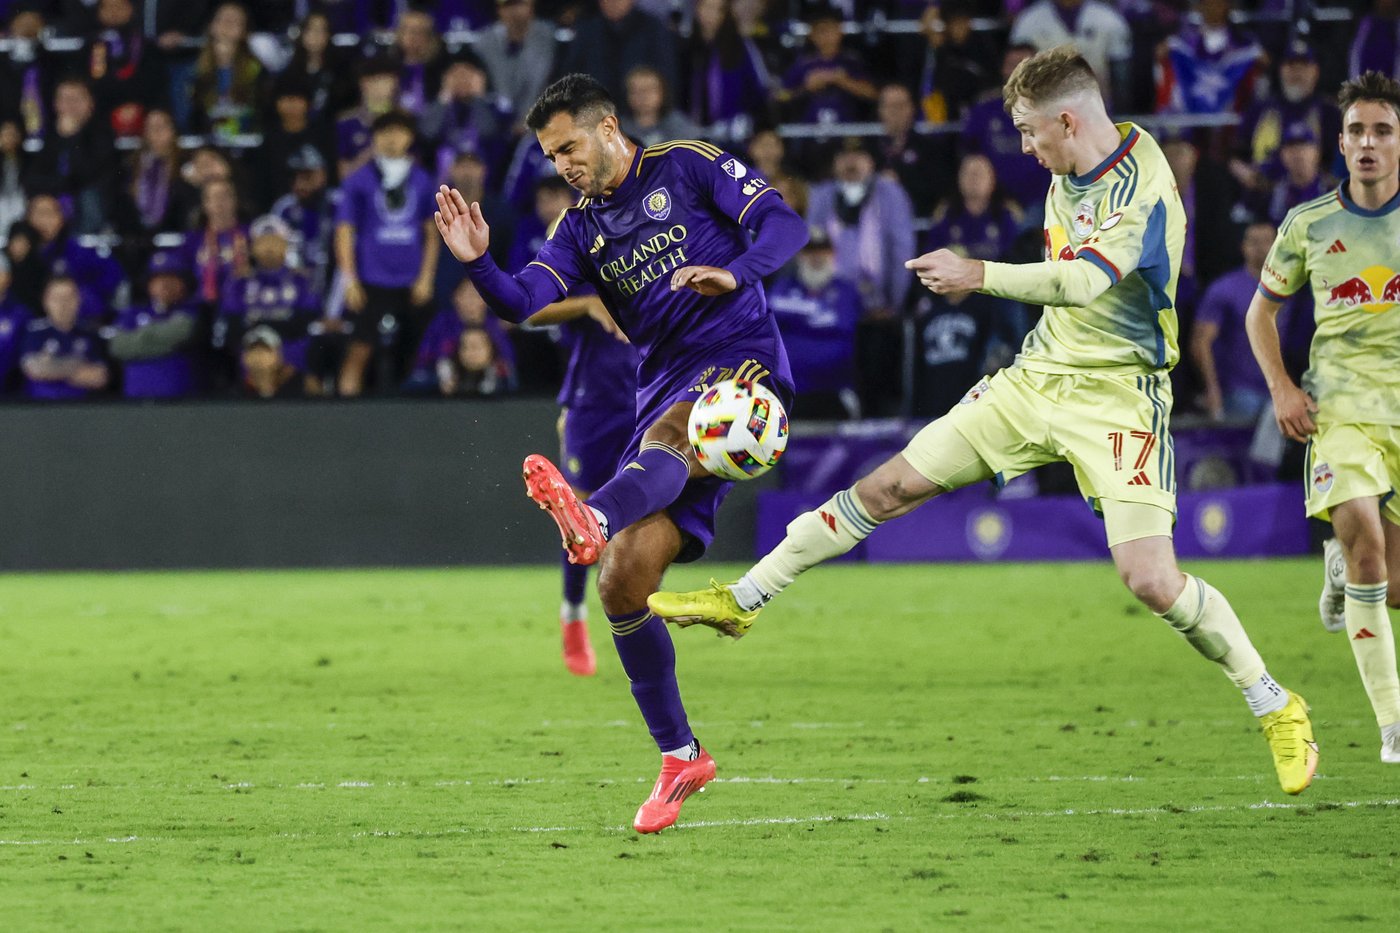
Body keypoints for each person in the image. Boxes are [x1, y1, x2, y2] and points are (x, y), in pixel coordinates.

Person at [649, 46, 1318, 797]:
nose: (1026, 151)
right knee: (887, 486)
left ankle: (1277, 703)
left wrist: (978, 272)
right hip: (1034, 379)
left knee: (1151, 579)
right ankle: (743, 599)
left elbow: (1080, 279)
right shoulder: (1071, 171)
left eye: (1032, 134)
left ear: (1069, 120)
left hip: (1119, 396)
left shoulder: (1144, 183)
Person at [433, 73, 808, 832]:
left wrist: (735, 272)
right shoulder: (578, 230)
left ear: (608, 128)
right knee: (621, 582)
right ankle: (681, 755)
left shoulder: (689, 165)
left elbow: (784, 227)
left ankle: (593, 513)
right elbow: (521, 299)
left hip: (741, 364)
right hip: (662, 388)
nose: (562, 164)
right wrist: (477, 261)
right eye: (550, 154)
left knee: (673, 436)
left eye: (569, 146)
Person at [1244, 71, 1400, 764]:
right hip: (1339, 411)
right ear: (1341, 143)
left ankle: (1340, 572)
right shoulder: (1308, 224)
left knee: (1388, 585)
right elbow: (1261, 313)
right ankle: (1394, 727)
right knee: (1366, 538)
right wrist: (1282, 387)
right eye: (1358, 131)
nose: (1369, 142)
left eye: (1383, 131)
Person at [334, 110, 439, 396]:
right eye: (384, 132)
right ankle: (347, 416)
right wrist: (350, 280)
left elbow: (432, 233)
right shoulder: (358, 179)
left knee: (417, 353)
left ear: (410, 137)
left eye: (399, 132)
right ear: (374, 138)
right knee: (359, 350)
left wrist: (426, 278)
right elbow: (344, 231)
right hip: (371, 280)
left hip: (411, 281)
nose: (392, 139)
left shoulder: (422, 179)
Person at [1191, 221, 1287, 422]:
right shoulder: (1225, 289)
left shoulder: (1290, 288)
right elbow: (1201, 342)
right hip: (1239, 392)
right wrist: (1212, 390)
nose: (1261, 248)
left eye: (1267, 241)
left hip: (1282, 392)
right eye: (1254, 242)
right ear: (1243, 246)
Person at [108, 249, 202, 399]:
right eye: (158, 279)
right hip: (134, 402)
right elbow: (117, 346)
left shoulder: (191, 310)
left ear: (183, 283)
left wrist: (141, 336)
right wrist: (162, 341)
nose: (164, 285)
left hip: (180, 402)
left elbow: (181, 333)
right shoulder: (133, 312)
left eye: (171, 278)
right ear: (149, 284)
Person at [20, 275, 109, 400]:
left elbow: (99, 377)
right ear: (45, 301)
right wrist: (77, 366)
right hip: (41, 408)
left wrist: (53, 367)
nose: (63, 304)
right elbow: (34, 369)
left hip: (81, 409)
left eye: (68, 298)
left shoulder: (89, 333)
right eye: (56, 299)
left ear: (78, 300)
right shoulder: (35, 331)